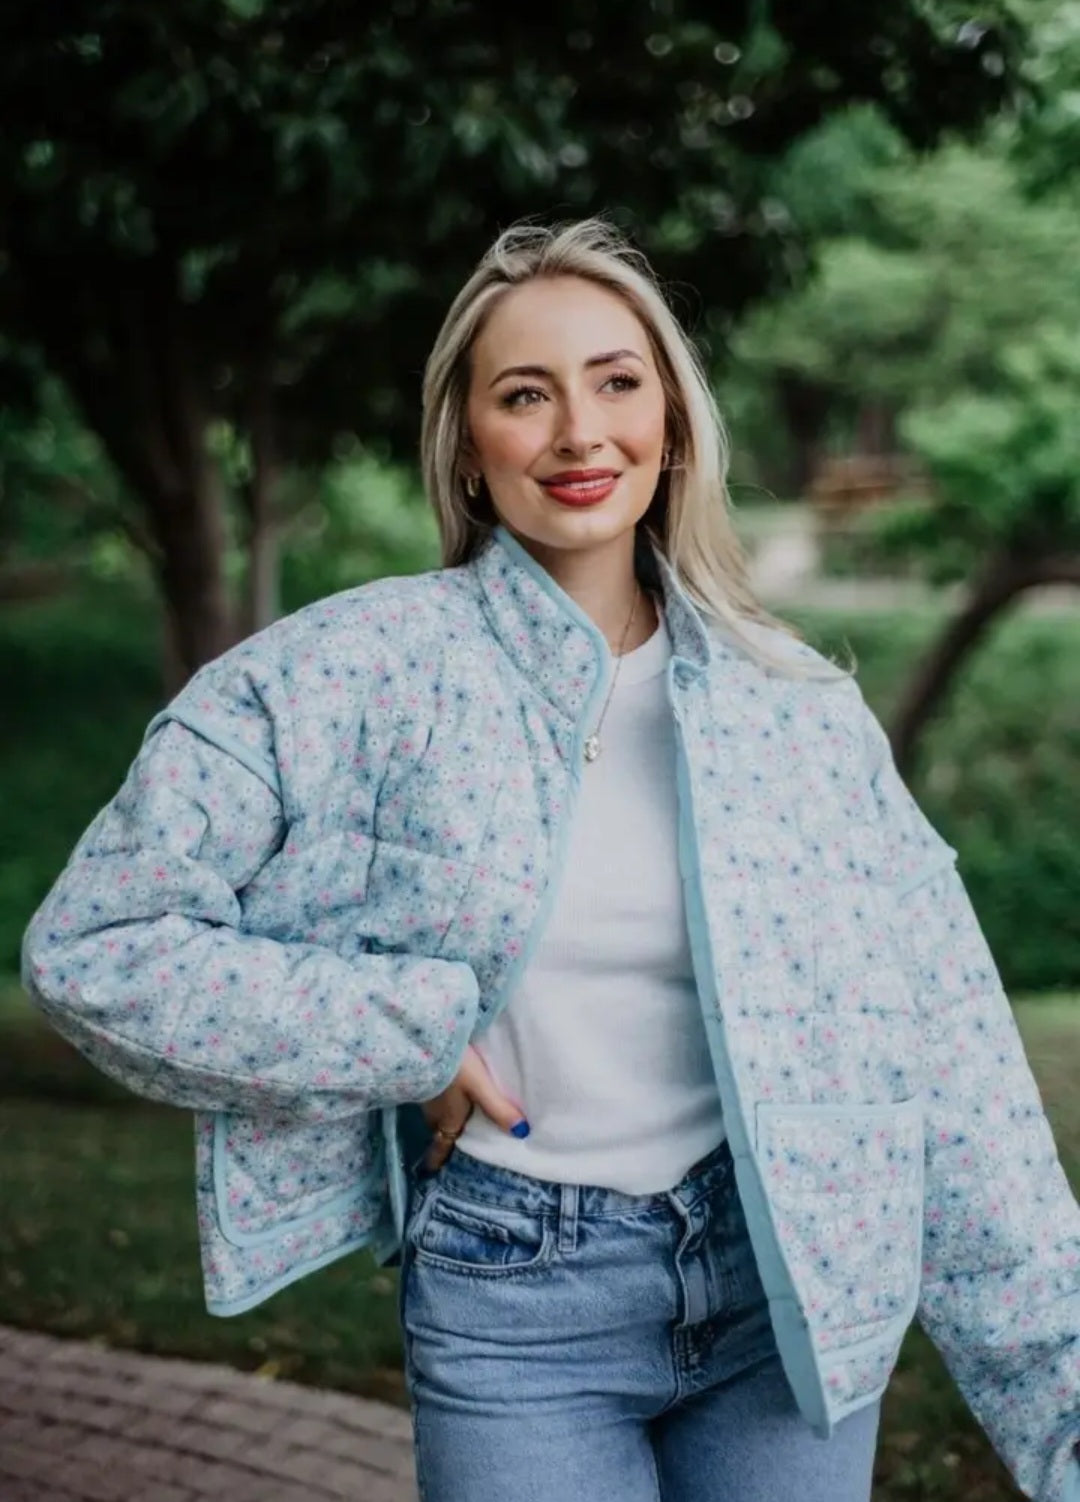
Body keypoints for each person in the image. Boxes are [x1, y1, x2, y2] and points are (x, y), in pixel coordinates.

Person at [22, 218, 1080, 1502]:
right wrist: (403, 1032)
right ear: (468, 445)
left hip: (787, 1290)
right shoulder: (347, 675)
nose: (581, 432)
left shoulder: (797, 708)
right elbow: (97, 943)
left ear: (671, 421)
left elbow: (956, 1050)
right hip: (516, 1297)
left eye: (617, 381)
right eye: (526, 394)